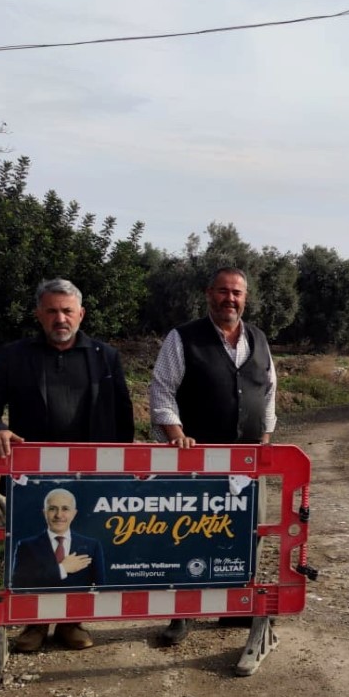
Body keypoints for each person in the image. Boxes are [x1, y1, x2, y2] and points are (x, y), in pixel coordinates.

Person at [0, 278, 135, 651]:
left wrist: (121, 471)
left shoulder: (105, 356)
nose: (60, 318)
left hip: (90, 478)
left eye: (67, 311)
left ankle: (70, 622)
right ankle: (33, 624)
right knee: (34, 548)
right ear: (39, 315)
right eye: (52, 311)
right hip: (32, 478)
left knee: (78, 548)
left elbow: (123, 416)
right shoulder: (14, 356)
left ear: (81, 314)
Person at [149, 266, 277, 646]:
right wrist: (176, 436)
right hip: (196, 463)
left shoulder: (259, 339)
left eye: (237, 293)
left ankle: (234, 606)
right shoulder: (183, 338)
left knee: (246, 532)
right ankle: (182, 613)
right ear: (209, 294)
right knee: (188, 533)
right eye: (223, 291)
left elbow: (269, 391)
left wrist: (265, 438)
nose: (230, 299)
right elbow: (161, 390)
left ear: (245, 298)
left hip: (248, 463)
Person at [11, 488, 105, 588]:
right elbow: (18, 584)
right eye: (52, 509)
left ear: (74, 513)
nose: (59, 515)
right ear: (45, 513)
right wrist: (62, 569)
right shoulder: (26, 546)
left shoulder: (92, 546)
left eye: (65, 509)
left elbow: (100, 588)